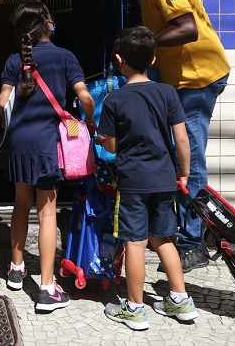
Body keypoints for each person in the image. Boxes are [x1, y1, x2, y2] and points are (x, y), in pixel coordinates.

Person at [98, 0, 231, 273]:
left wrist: (143, 44)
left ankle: (192, 244)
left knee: (191, 159)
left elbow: (188, 28)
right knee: (176, 151)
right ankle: (177, 233)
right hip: (178, 80)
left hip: (197, 78)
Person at [0, 0, 95, 312]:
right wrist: (87, 121)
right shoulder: (65, 57)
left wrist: (10, 124)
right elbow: (84, 96)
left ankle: (15, 268)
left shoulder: (15, 59)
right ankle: (47, 287)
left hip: (20, 142)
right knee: (47, 212)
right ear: (48, 24)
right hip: (47, 142)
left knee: (21, 204)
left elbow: (1, 103)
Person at [96, 26, 197, 330]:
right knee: (164, 239)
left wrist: (103, 140)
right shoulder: (167, 92)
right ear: (153, 59)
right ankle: (180, 301)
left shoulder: (115, 100)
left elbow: (111, 145)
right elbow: (181, 138)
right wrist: (184, 171)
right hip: (165, 178)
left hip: (133, 181)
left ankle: (135, 308)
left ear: (118, 59)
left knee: (135, 244)